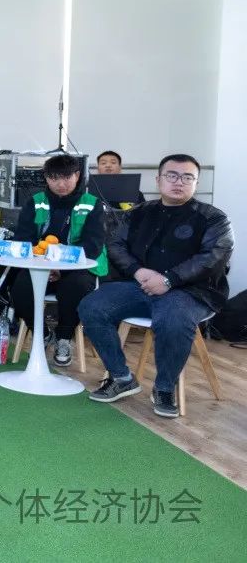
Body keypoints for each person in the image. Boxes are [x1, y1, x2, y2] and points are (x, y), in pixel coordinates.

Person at [79, 154, 234, 418]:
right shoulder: (138, 213)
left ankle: (164, 388)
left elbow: (214, 257)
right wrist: (138, 271)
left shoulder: (213, 218)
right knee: (91, 306)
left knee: (173, 318)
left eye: (187, 177)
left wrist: (169, 279)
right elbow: (115, 245)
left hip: (191, 291)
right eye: (172, 175)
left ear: (196, 183)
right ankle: (121, 377)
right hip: (141, 285)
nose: (179, 182)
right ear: (158, 179)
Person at [9, 154, 107, 368]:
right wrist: (45, 265)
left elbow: (92, 246)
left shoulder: (92, 204)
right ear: (46, 178)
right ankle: (42, 333)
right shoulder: (35, 202)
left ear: (77, 176)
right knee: (19, 289)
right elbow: (23, 239)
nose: (61, 184)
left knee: (76, 286)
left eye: (66, 177)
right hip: (40, 265)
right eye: (54, 178)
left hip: (77, 267)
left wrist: (61, 269)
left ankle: (64, 337)